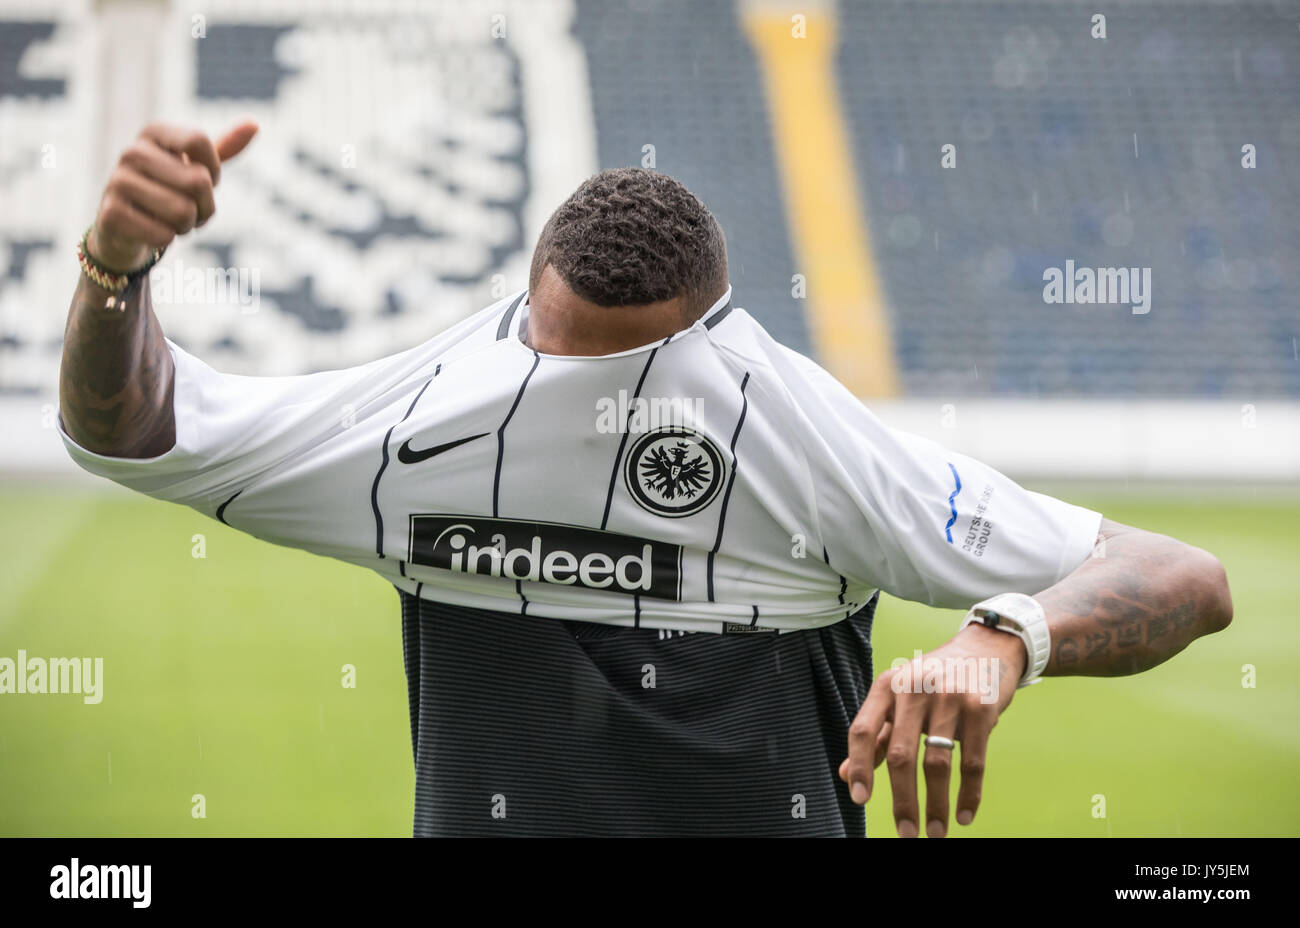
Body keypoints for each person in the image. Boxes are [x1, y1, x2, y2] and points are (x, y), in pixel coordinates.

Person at [59, 122, 1233, 837]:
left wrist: (1007, 632)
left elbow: (1180, 576)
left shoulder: (800, 436)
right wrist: (114, 271)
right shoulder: (426, 418)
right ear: (516, 320)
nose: (575, 416)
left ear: (715, 347)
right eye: (551, 373)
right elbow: (139, 426)